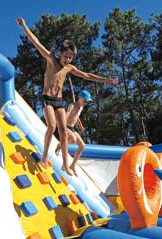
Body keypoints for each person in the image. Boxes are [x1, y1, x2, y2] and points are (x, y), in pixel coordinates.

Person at [16, 17, 118, 176]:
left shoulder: (69, 68)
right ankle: (44, 157)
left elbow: (86, 75)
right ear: (60, 54)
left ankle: (65, 165)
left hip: (59, 101)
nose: (68, 60)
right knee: (52, 126)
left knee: (64, 132)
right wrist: (24, 26)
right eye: (65, 56)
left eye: (70, 57)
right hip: (47, 99)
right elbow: (36, 43)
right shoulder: (51, 59)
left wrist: (105, 80)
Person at [54, 90, 92, 176]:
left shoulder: (81, 107)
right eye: (85, 101)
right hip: (66, 126)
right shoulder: (72, 105)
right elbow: (67, 114)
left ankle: (72, 165)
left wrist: (80, 125)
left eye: (87, 102)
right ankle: (64, 162)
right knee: (73, 139)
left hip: (72, 127)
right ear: (80, 98)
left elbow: (77, 116)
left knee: (82, 145)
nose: (86, 103)